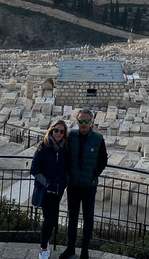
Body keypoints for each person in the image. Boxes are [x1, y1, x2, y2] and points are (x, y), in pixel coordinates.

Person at [59, 108, 107, 259]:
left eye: (86, 121)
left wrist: (94, 175)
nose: (83, 124)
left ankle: (85, 249)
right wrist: (42, 144)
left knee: (88, 217)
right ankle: (70, 247)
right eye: (81, 121)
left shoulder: (98, 139)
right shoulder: (71, 136)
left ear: (91, 122)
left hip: (89, 186)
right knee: (71, 217)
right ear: (77, 122)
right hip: (73, 185)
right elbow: (59, 146)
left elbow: (103, 161)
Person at [31, 118, 70, 259]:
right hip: (46, 190)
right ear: (51, 131)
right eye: (56, 130)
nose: (58, 133)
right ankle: (43, 248)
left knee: (52, 219)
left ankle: (45, 242)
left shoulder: (66, 148)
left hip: (59, 190)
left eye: (61, 131)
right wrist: (46, 183)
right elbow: (34, 169)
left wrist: (65, 180)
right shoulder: (43, 148)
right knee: (49, 219)